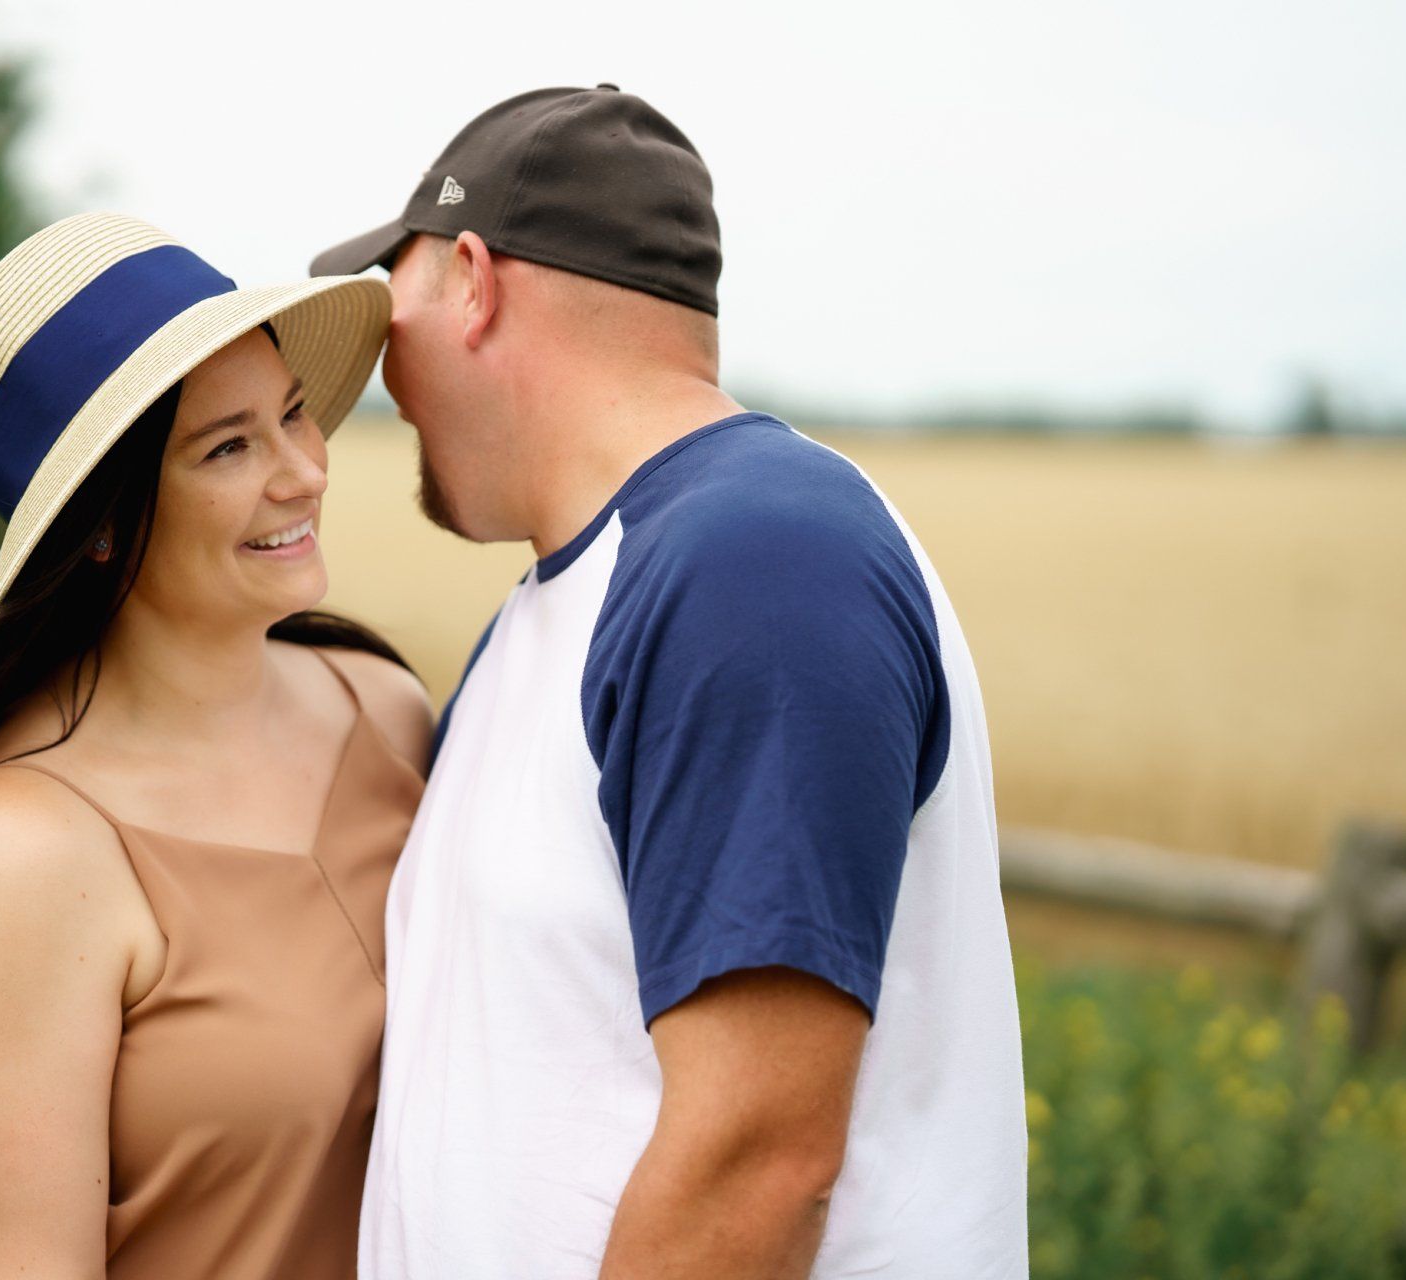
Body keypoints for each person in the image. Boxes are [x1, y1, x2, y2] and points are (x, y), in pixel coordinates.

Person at [309, 85, 1028, 1278]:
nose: (383, 367)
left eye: (398, 298)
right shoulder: (567, 597)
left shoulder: (756, 560)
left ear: (475, 279)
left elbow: (757, 1154)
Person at [0, 211, 432, 1279]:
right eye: (229, 445)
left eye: (294, 415)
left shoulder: (385, 706)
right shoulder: (20, 850)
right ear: (105, 524)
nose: (303, 471)